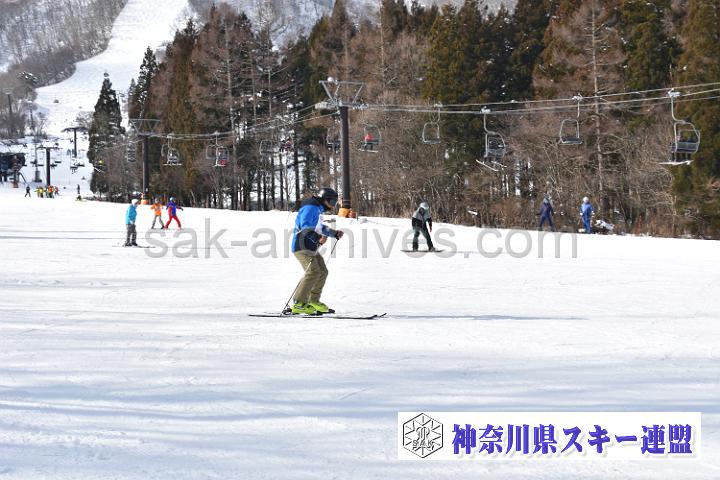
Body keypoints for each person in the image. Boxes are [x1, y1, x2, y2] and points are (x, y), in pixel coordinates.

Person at [289, 187, 344, 315]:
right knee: (313, 272)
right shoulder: (310, 208)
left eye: (335, 202)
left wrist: (334, 233)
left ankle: (312, 301)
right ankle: (299, 303)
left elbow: (319, 228)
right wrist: (318, 238)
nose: (333, 205)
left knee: (322, 271)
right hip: (301, 246)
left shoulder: (317, 209)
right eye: (332, 201)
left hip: (310, 247)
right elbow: (305, 227)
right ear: (324, 199)